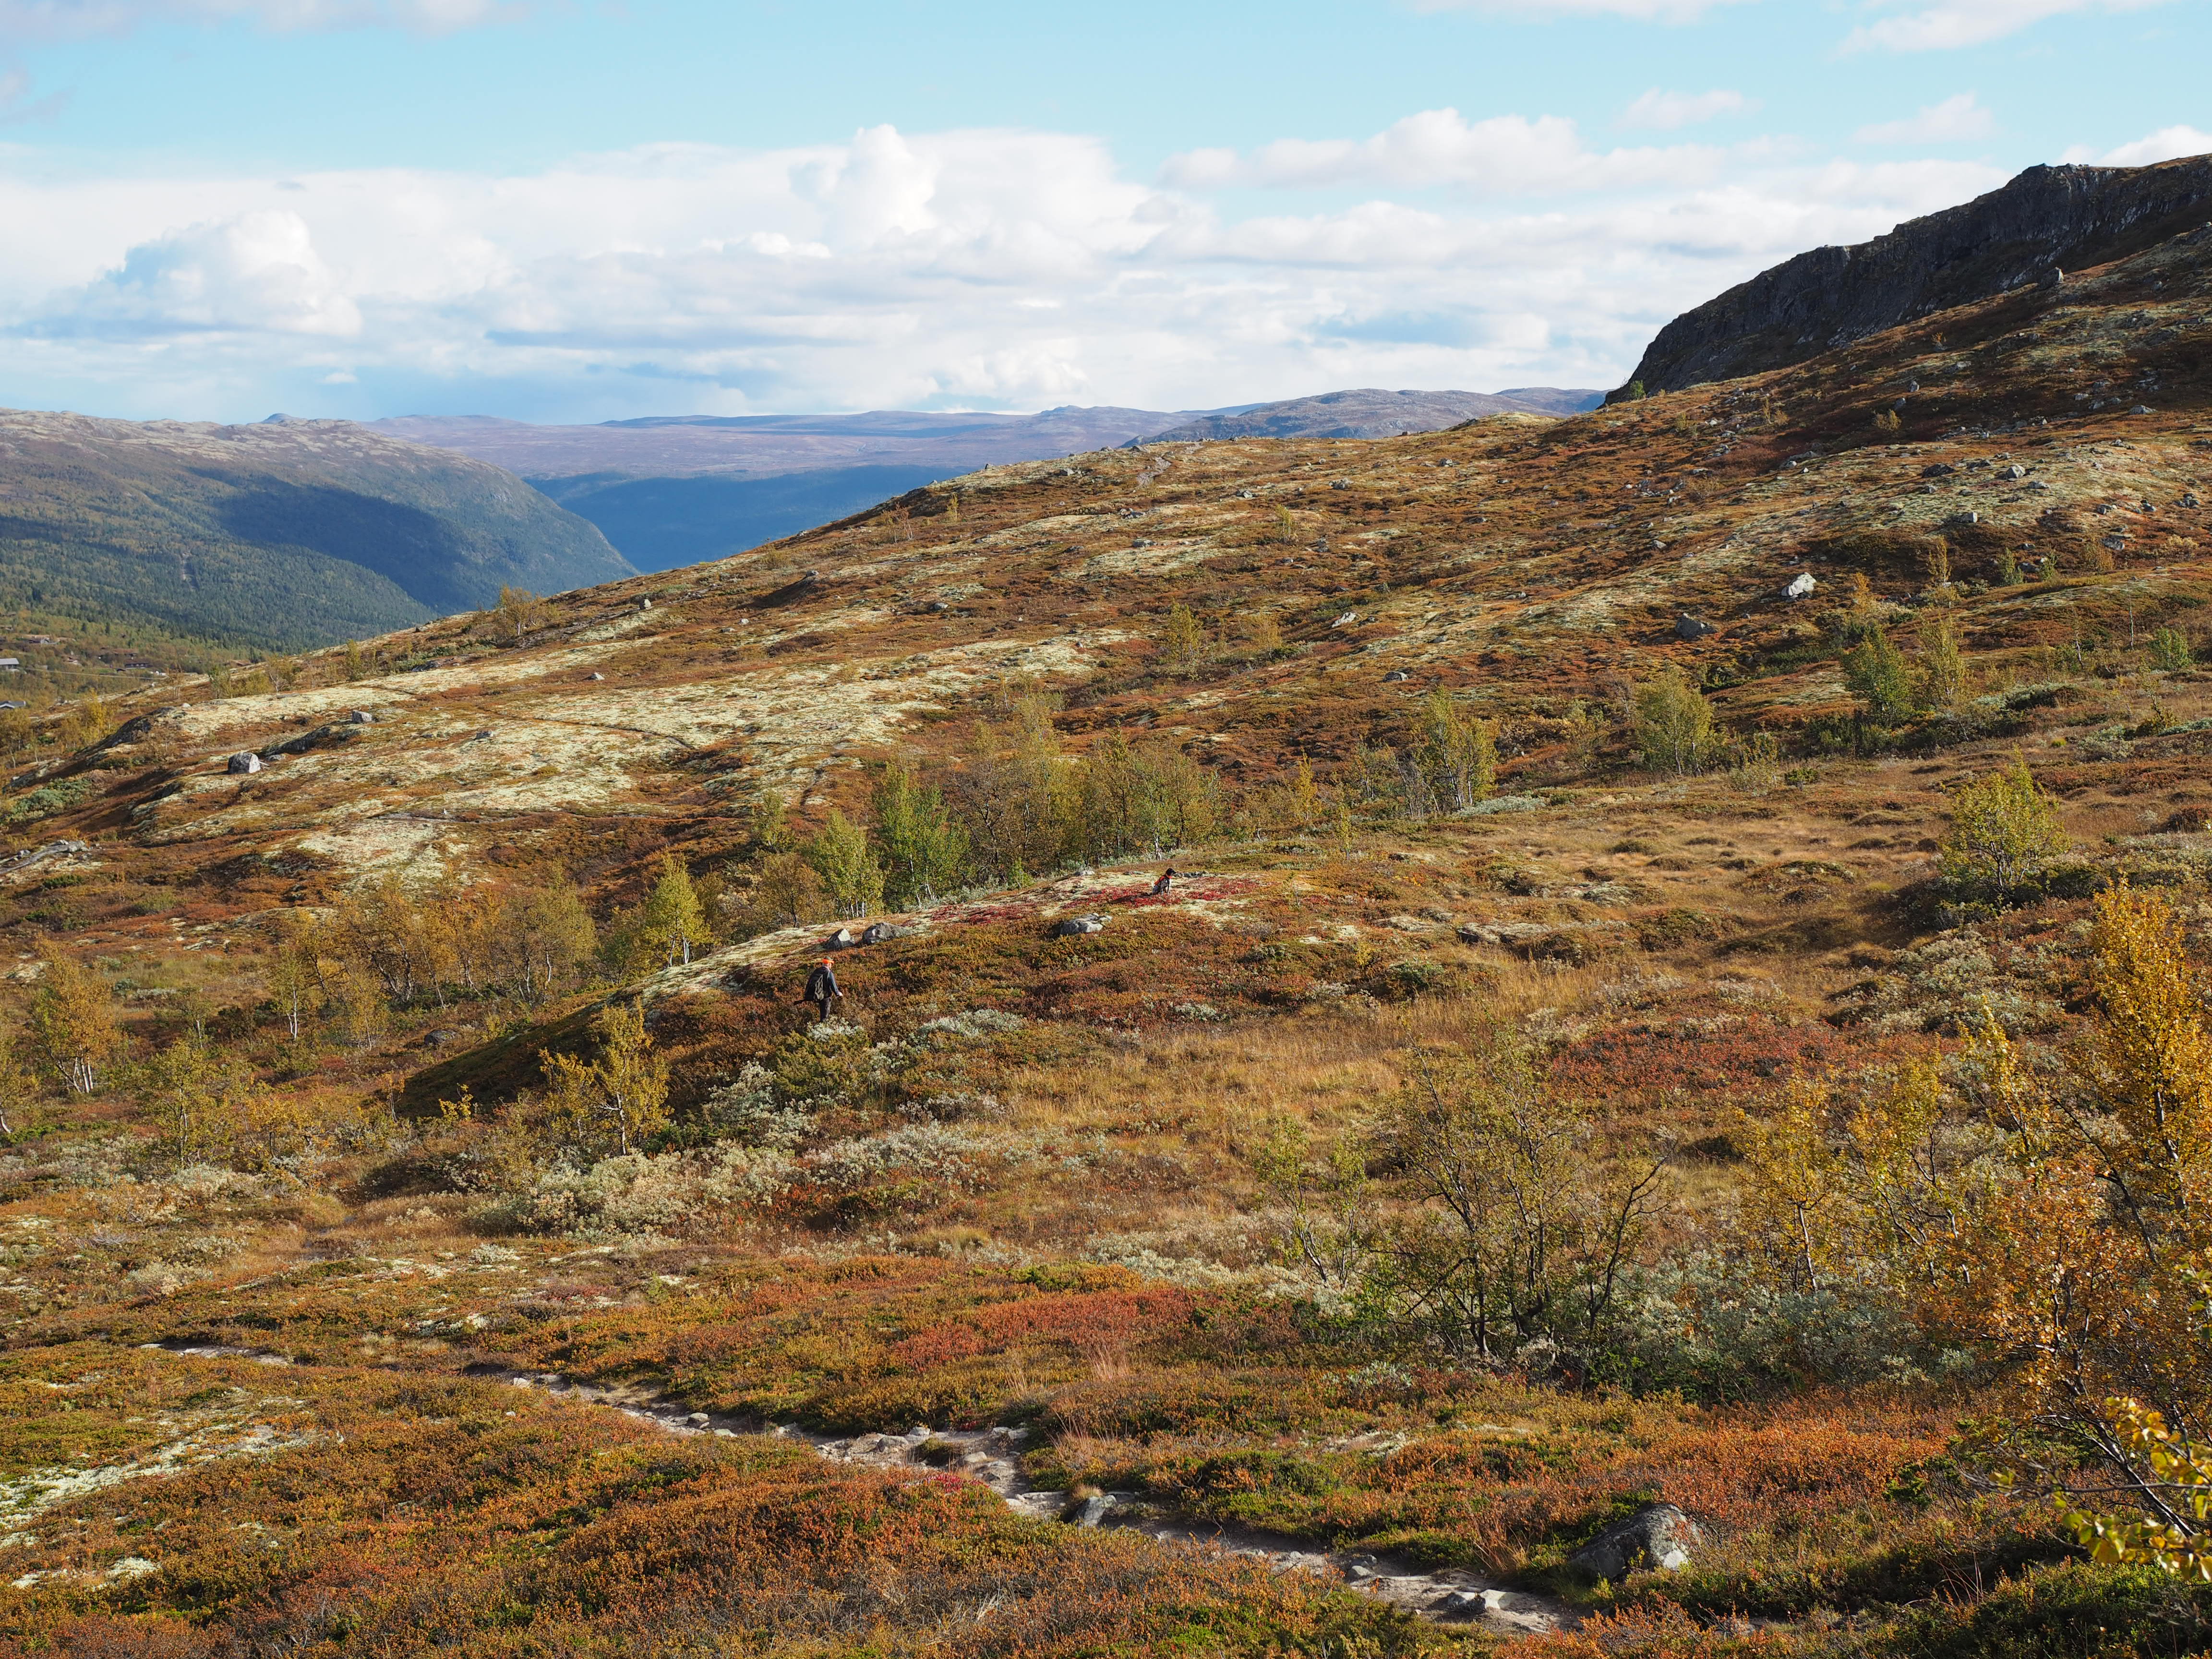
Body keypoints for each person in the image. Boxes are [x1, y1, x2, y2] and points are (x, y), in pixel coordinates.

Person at [803, 957, 842, 1022]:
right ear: (829, 964)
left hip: (815, 996)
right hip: (825, 997)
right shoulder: (829, 973)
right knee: (824, 1017)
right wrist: (838, 994)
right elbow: (833, 986)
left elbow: (809, 982)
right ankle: (823, 1027)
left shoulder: (816, 971)